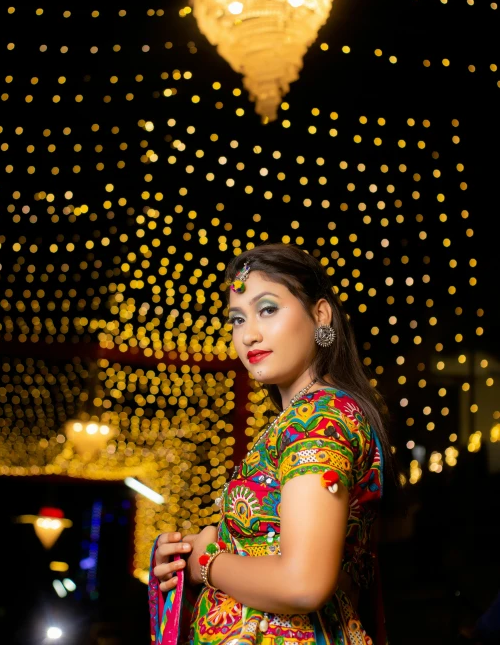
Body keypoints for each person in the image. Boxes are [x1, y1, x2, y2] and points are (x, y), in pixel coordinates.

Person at [149, 243, 397, 645]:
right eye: (236, 318)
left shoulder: (320, 419)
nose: (248, 334)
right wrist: (186, 554)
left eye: (268, 309)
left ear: (320, 316)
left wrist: (207, 562)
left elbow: (303, 583)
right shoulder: (295, 421)